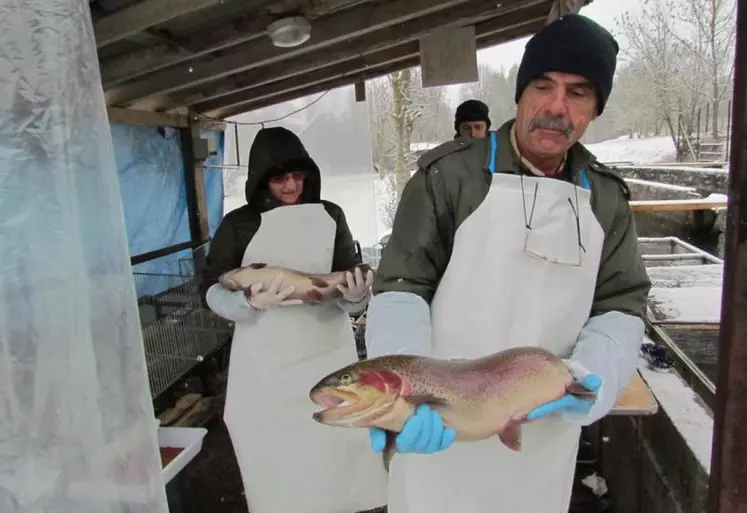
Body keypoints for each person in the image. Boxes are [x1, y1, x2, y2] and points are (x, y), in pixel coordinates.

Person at [364, 13, 651, 513]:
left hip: (539, 437)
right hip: (442, 429)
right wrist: (407, 399)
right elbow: (401, 289)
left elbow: (621, 305)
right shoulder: (448, 179)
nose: (556, 107)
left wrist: (586, 377)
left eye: (578, 93)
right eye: (543, 85)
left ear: (595, 110)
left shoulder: (605, 199)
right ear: (520, 93)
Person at [201, 126, 388, 513]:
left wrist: (356, 297)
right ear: (261, 180)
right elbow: (209, 286)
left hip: (327, 354)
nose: (291, 186)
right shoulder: (239, 224)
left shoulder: (330, 215)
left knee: (334, 448)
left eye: (298, 176)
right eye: (280, 178)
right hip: (265, 363)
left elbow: (348, 275)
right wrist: (247, 303)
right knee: (278, 457)